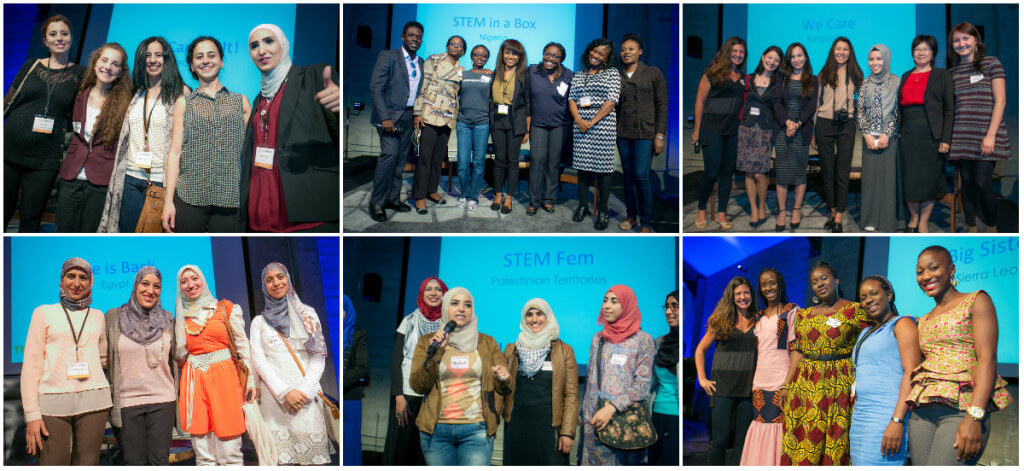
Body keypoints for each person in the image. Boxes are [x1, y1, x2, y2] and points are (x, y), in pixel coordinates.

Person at [907, 246, 1012, 465]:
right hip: (921, 414)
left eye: (933, 268)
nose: (926, 276)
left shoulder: (976, 300)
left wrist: (975, 416)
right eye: (920, 272)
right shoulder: (923, 320)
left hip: (961, 411)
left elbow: (987, 359)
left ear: (951, 269)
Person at [241, 24, 340, 232]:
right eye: (254, 46)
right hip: (260, 207)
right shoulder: (259, 98)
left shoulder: (313, 76)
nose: (262, 51)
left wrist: (340, 110)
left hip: (306, 205)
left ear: (283, 45)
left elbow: (337, 132)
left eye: (269, 41)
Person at [21, 257, 110, 465]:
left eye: (83, 278)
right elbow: (31, 367)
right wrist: (32, 414)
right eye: (71, 276)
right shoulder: (43, 313)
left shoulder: (97, 316)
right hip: (53, 403)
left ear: (91, 283)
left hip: (94, 402)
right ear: (61, 281)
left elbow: (104, 358)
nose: (76, 283)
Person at [410, 287, 512, 466]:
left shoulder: (487, 342)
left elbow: (504, 387)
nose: (462, 309)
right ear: (445, 308)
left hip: (476, 430)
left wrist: (503, 378)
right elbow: (418, 385)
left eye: (468, 305)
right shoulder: (428, 341)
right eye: (455, 303)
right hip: (436, 430)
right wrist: (437, 352)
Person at [781, 261, 869, 465]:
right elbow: (798, 351)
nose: (819, 283)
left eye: (824, 278)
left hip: (838, 383)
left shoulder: (855, 310)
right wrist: (786, 384)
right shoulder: (803, 315)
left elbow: (879, 330)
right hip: (804, 384)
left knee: (834, 439)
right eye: (814, 281)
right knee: (801, 439)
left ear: (836, 280)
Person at [97, 37, 189, 233]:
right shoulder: (136, 93)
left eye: (158, 55)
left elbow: (183, 146)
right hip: (129, 178)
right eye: (148, 55)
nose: (152, 60)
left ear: (167, 59)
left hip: (159, 182)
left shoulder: (180, 93)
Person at [4, 15, 87, 232]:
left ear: (71, 37)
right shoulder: (30, 65)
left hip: (45, 158)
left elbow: (81, 112)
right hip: (8, 152)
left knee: (30, 219)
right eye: (53, 34)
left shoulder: (80, 74)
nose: (59, 38)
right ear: (45, 40)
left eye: (64, 33)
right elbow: (9, 99)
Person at [161, 36, 252, 233]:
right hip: (189, 196)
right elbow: (175, 152)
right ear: (192, 66)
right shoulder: (184, 103)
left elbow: (250, 154)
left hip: (231, 198)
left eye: (211, 55)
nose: (205, 60)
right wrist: (168, 201)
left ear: (221, 61)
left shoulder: (241, 102)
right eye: (199, 57)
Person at [251, 263, 332, 465]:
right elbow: (259, 361)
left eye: (280, 277)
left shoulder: (309, 314)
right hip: (275, 402)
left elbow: (318, 356)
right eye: (269, 280)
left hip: (307, 398)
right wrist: (285, 392)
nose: (276, 283)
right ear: (264, 286)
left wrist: (302, 392)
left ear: (288, 279)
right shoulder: (258, 323)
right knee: (279, 461)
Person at [174, 265, 256, 465]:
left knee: (230, 453)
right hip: (194, 383)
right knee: (203, 456)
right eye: (184, 281)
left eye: (194, 278)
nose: (190, 285)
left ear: (203, 280)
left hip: (225, 381)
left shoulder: (226, 309)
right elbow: (180, 356)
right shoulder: (179, 319)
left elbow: (243, 347)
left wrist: (252, 381)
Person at [56, 43, 132, 232]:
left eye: (115, 64)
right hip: (71, 174)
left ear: (121, 72)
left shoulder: (126, 102)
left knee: (88, 232)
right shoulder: (79, 92)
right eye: (104, 60)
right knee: (63, 231)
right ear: (95, 62)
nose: (108, 67)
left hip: (101, 178)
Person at [105, 266, 177, 465]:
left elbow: (175, 360)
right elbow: (105, 359)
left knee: (158, 461)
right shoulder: (114, 317)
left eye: (156, 286)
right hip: (127, 402)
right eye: (145, 284)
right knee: (133, 462)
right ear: (136, 286)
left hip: (163, 400)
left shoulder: (168, 319)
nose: (150, 290)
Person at [580, 285, 655, 465]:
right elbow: (591, 381)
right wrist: (585, 416)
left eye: (614, 301)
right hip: (595, 420)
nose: (607, 306)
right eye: (605, 301)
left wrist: (612, 407)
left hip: (624, 422)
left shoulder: (643, 340)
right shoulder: (598, 338)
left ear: (627, 305)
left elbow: (642, 385)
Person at [947, 22, 1011, 233]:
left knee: (983, 183)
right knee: (966, 184)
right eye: (957, 40)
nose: (961, 43)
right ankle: (971, 228)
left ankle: (991, 228)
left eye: (966, 38)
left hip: (986, 135)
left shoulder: (992, 63)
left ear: (976, 40)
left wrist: (990, 135)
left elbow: (1000, 101)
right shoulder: (953, 72)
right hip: (961, 136)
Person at [849, 276, 919, 466]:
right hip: (861, 417)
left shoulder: (902, 324)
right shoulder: (866, 332)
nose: (868, 300)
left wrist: (897, 420)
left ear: (888, 294)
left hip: (885, 416)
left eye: (874, 293)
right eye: (863, 297)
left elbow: (912, 374)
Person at [499, 298, 578, 465]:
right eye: (529, 315)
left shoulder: (564, 351)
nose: (534, 319)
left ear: (548, 317)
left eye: (539, 314)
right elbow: (502, 390)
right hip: (516, 428)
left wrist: (568, 433)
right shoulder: (511, 349)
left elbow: (571, 395)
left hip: (549, 429)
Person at [382, 276, 448, 465]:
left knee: (426, 453)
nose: (433, 293)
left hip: (436, 397)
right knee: (401, 449)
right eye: (428, 289)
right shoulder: (409, 321)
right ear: (422, 293)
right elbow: (396, 361)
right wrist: (399, 396)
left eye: (438, 289)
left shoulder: (450, 324)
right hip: (407, 394)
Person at [694, 277, 757, 465]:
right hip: (722, 388)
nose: (743, 297)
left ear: (751, 295)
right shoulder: (721, 321)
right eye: (738, 294)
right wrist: (702, 379)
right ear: (732, 296)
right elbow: (700, 350)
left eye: (746, 293)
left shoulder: (759, 319)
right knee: (719, 441)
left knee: (741, 441)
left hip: (748, 388)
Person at [739, 268, 799, 465]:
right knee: (760, 425)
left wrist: (786, 384)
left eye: (772, 283)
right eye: (764, 285)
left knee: (776, 429)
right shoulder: (758, 316)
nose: (768, 288)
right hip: (759, 381)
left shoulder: (791, 311)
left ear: (780, 283)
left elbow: (797, 350)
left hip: (780, 380)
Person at [368, 21, 424, 222]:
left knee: (400, 162)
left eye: (418, 36)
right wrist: (385, 118)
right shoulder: (388, 56)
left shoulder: (421, 62)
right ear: (403, 37)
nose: (415, 39)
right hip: (389, 118)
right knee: (389, 157)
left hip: (409, 117)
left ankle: (392, 198)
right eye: (411, 35)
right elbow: (375, 88)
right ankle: (376, 202)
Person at [898, 35, 953, 233]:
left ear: (933, 54)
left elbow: (949, 110)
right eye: (917, 49)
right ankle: (913, 218)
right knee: (910, 178)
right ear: (912, 54)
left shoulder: (942, 75)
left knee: (929, 179)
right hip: (908, 134)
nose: (921, 53)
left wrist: (945, 139)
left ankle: (923, 221)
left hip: (932, 134)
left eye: (925, 49)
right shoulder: (905, 76)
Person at [692, 37, 746, 230]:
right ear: (727, 52)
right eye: (735, 51)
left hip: (733, 130)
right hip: (711, 128)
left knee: (726, 173)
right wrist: (696, 130)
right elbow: (699, 101)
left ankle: (721, 213)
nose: (738, 55)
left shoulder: (743, 78)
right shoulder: (712, 73)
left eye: (741, 52)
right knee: (711, 171)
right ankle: (701, 208)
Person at [616, 34, 668, 232]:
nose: (626, 52)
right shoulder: (617, 75)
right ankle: (631, 216)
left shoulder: (653, 72)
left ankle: (647, 221)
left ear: (640, 51)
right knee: (627, 176)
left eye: (630, 48)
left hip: (646, 131)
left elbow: (662, 105)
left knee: (641, 175)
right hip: (623, 131)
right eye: (623, 49)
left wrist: (660, 135)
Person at [569, 38, 620, 230]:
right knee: (582, 167)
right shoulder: (580, 74)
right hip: (580, 124)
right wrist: (579, 121)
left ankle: (604, 210)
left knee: (603, 168)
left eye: (601, 54)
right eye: (594, 51)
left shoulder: (612, 73)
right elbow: (572, 100)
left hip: (603, 124)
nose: (596, 55)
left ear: (607, 58)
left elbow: (612, 100)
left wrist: (592, 121)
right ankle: (583, 205)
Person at [412, 35, 466, 215]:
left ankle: (431, 190)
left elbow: (457, 94)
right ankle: (419, 196)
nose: (455, 47)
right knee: (425, 157)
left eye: (459, 45)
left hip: (448, 116)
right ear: (447, 45)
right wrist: (417, 112)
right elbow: (423, 85)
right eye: (452, 43)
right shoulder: (434, 60)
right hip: (429, 113)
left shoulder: (461, 70)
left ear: (463, 51)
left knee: (437, 158)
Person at [815, 37, 863, 233]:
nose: (841, 52)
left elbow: (862, 102)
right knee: (827, 172)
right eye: (838, 49)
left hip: (846, 124)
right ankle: (832, 209)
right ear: (832, 51)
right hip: (824, 124)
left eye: (845, 49)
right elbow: (816, 104)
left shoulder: (856, 74)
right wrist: (812, 130)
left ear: (850, 52)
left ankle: (839, 216)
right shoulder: (823, 73)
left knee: (842, 172)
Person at [856, 44, 902, 233]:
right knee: (870, 182)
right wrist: (866, 135)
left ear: (887, 59)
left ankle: (888, 222)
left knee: (888, 181)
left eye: (879, 58)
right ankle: (871, 220)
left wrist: (887, 134)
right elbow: (859, 112)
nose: (875, 63)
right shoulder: (865, 83)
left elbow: (898, 111)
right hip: (869, 139)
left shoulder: (896, 81)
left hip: (889, 138)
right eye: (872, 59)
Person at [736, 46, 782, 230]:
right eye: (769, 58)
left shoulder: (779, 82)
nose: (772, 62)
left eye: (776, 60)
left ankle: (762, 205)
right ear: (763, 57)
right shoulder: (748, 78)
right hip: (746, 128)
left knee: (760, 172)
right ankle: (754, 209)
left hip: (765, 129)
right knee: (748, 172)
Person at [772, 42, 817, 232]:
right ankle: (782, 210)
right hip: (783, 129)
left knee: (799, 172)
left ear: (805, 57)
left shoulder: (813, 80)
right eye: (793, 56)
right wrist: (787, 123)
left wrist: (797, 123)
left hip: (802, 128)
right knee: (781, 172)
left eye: (800, 55)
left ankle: (796, 208)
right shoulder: (781, 78)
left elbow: (811, 106)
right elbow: (776, 102)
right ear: (789, 60)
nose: (797, 59)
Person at [527, 42, 574, 216]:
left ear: (561, 59)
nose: (550, 58)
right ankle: (534, 201)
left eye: (555, 56)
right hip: (538, 123)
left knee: (553, 163)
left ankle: (549, 200)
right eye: (547, 54)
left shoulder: (569, 75)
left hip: (560, 125)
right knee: (537, 159)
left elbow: (574, 100)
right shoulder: (532, 71)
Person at [490, 39, 531, 214]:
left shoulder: (524, 75)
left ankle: (509, 198)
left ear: (520, 56)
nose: (510, 56)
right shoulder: (495, 73)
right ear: (502, 54)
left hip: (517, 122)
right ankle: (498, 195)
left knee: (513, 161)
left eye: (515, 53)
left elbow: (528, 103)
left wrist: (527, 130)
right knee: (499, 160)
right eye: (508, 52)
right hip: (498, 121)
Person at [455, 45, 492, 211]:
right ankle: (463, 193)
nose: (480, 57)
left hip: (482, 124)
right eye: (477, 54)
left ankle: (473, 196)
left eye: (484, 56)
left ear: (487, 59)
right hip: (463, 122)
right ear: (471, 56)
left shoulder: (491, 75)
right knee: (463, 163)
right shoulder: (463, 74)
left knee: (478, 163)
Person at [648, 290, 680, 465]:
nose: (668, 311)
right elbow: (651, 382)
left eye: (674, 306)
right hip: (658, 414)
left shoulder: (687, 342)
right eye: (667, 306)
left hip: (678, 415)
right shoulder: (658, 342)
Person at [342, 295, 369, 466]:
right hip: (326, 398)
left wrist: (339, 383)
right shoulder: (324, 333)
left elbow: (362, 367)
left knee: (349, 447)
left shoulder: (358, 335)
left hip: (348, 398)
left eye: (341, 309)